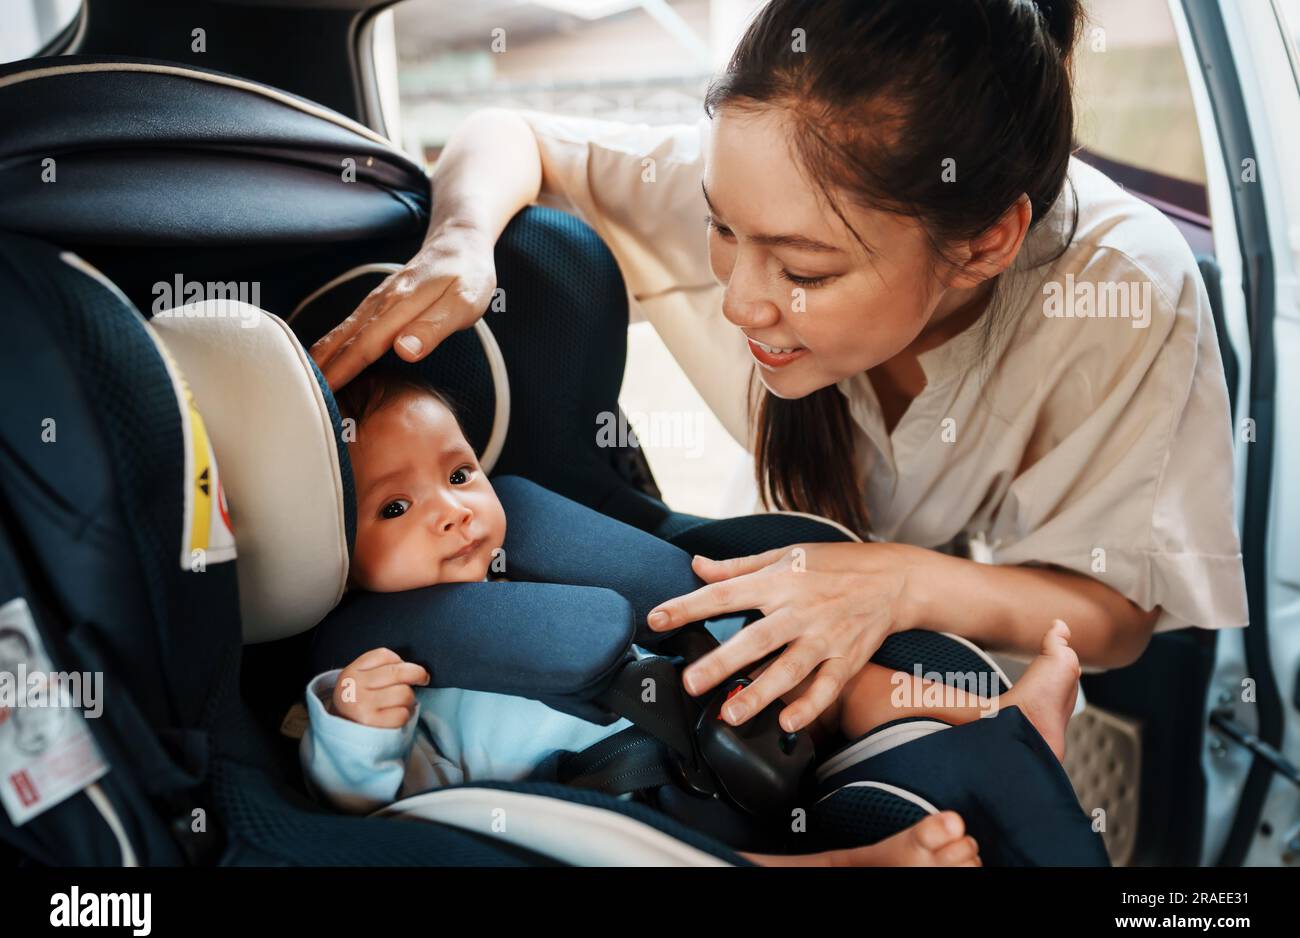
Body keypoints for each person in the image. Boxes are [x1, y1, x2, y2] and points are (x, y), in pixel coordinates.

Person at [308, 0, 1247, 740]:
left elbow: (1118, 615)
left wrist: (899, 583)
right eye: (721, 228)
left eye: (805, 272)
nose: (741, 302)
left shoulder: (1122, 293)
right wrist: (462, 241)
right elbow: (509, 129)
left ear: (988, 240)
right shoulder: (767, 182)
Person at [297, 364, 1087, 866]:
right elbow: (380, 808)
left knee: (826, 672)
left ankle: (992, 713)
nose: (452, 511)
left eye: (461, 473)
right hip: (619, 809)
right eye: (396, 506)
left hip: (729, 705)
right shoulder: (379, 671)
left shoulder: (543, 551)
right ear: (333, 549)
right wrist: (359, 729)